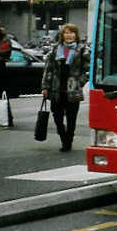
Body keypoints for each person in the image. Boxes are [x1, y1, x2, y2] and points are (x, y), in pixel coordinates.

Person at [41, 23, 90, 151]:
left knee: (71, 118)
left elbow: (88, 69)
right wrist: (45, 86)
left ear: (76, 35)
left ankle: (68, 141)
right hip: (56, 88)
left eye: (71, 32)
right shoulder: (55, 49)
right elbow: (48, 69)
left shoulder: (82, 49)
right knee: (57, 117)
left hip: (73, 88)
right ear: (62, 35)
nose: (69, 35)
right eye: (66, 33)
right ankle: (63, 136)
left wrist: (80, 82)